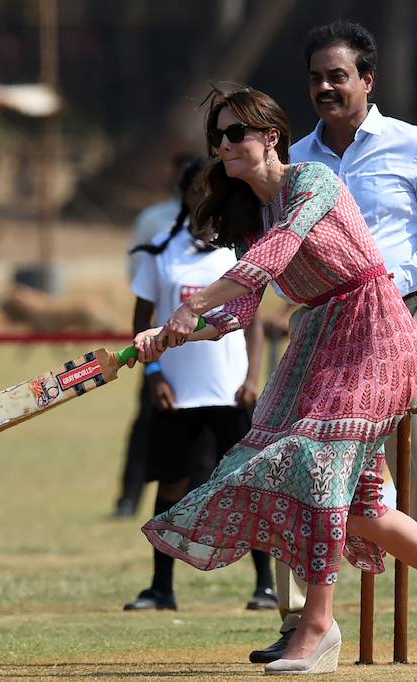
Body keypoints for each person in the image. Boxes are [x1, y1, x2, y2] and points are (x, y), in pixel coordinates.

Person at [131, 85, 417, 675]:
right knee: (358, 503)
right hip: (317, 342)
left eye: (237, 133)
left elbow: (275, 257)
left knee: (315, 470)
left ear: (270, 137)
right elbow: (240, 309)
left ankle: (316, 626)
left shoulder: (313, 183)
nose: (225, 145)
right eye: (218, 137)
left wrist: (193, 301)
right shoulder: (253, 214)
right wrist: (174, 332)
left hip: (375, 332)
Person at [248, 20, 417, 665]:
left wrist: (381, 283)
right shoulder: (297, 160)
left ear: (367, 80)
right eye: (317, 78)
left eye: (339, 76)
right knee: (303, 467)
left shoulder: (412, 146)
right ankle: (302, 621)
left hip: (402, 323)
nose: (326, 87)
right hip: (323, 335)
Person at [123, 158, 277, 612]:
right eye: (194, 190)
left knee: (250, 486)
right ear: (184, 196)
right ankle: (160, 588)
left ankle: (264, 586)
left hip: (231, 392)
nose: (202, 199)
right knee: (171, 486)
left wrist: (252, 378)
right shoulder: (160, 251)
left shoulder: (240, 250)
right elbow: (140, 322)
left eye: (210, 190)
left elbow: (253, 323)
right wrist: (153, 375)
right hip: (177, 392)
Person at [116, 153, 198, 518]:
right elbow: (139, 282)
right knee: (148, 422)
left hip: (203, 351)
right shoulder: (155, 222)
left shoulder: (223, 229)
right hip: (158, 349)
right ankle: (129, 496)